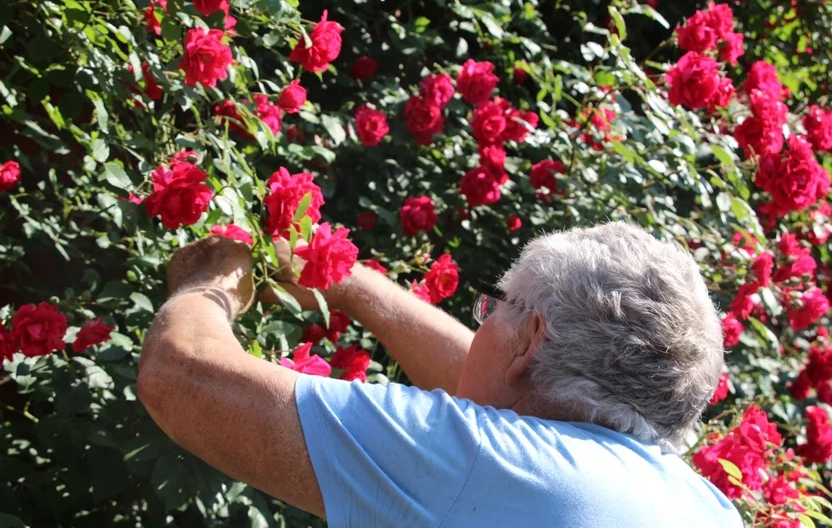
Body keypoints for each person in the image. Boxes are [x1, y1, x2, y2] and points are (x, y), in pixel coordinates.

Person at [137, 222, 742, 527]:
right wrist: (347, 282)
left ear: (531, 340)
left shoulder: (495, 467)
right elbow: (502, 388)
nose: (480, 324)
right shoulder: (705, 507)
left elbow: (183, 377)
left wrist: (211, 284)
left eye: (494, 305)